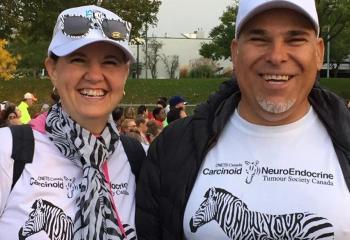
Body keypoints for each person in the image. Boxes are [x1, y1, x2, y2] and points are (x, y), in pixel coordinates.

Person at [136, 0, 350, 239]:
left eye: (295, 39)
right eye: (259, 39)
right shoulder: (173, 147)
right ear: (235, 52)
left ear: (319, 52)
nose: (277, 56)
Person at [0, 5, 145, 240]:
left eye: (110, 62)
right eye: (78, 60)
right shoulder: (8, 151)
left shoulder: (137, 158)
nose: (95, 76)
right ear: (52, 70)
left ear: (125, 74)